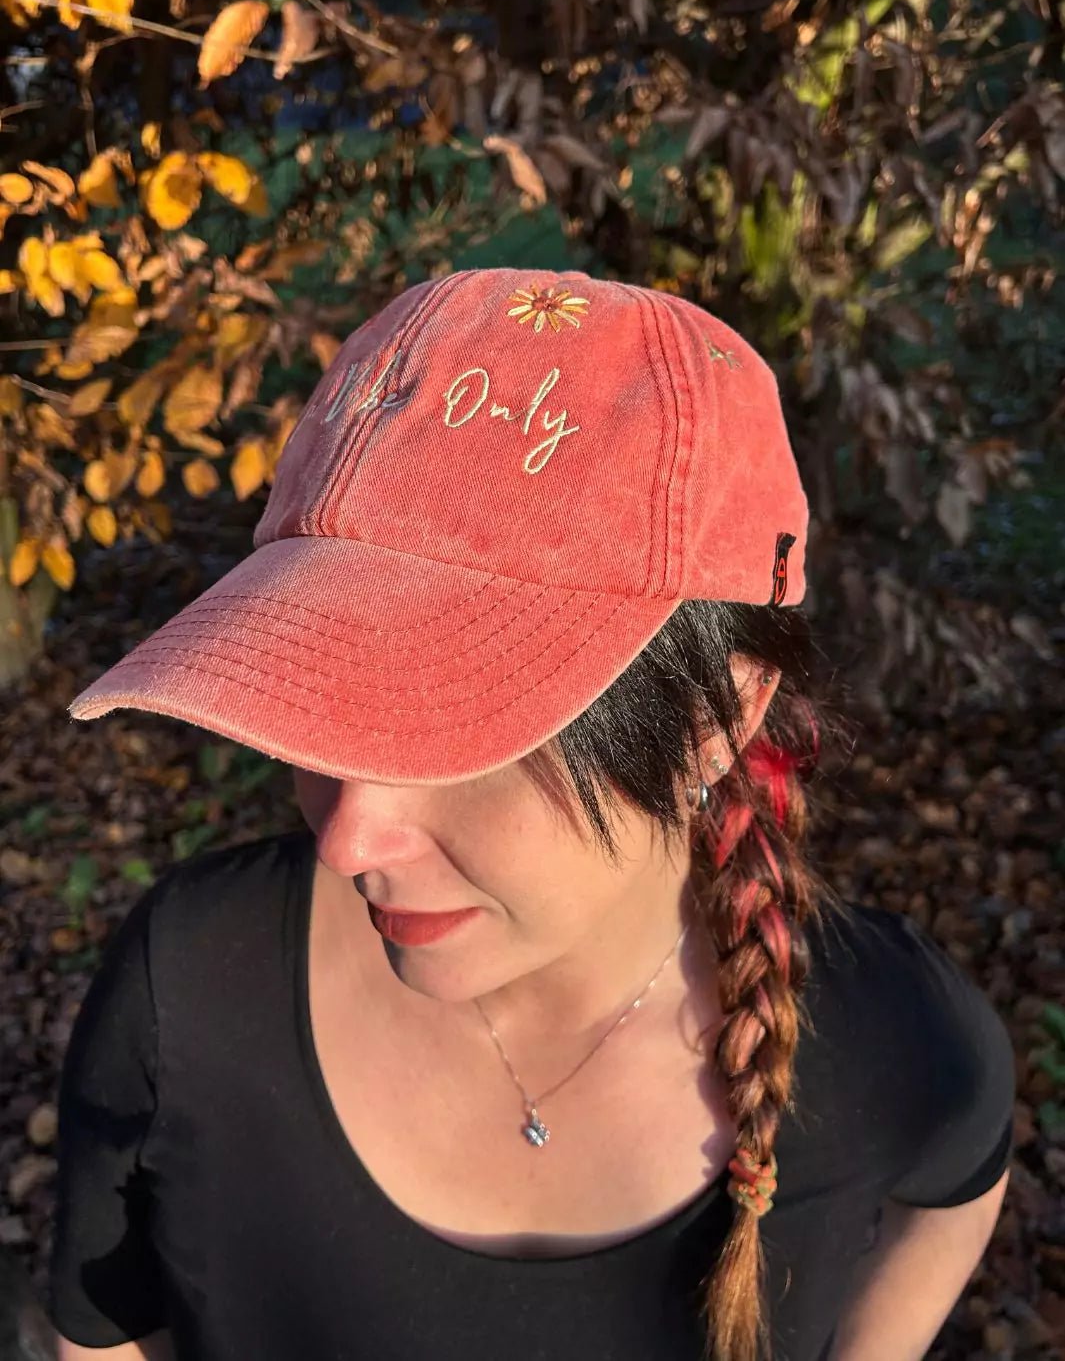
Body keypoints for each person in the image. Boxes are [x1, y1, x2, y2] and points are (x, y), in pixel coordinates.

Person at [46, 269, 1015, 1361]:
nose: (348, 840)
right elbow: (101, 1327)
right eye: (315, 705)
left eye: (469, 735)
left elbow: (963, 1181)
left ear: (720, 719)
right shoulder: (191, 988)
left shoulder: (887, 1038)